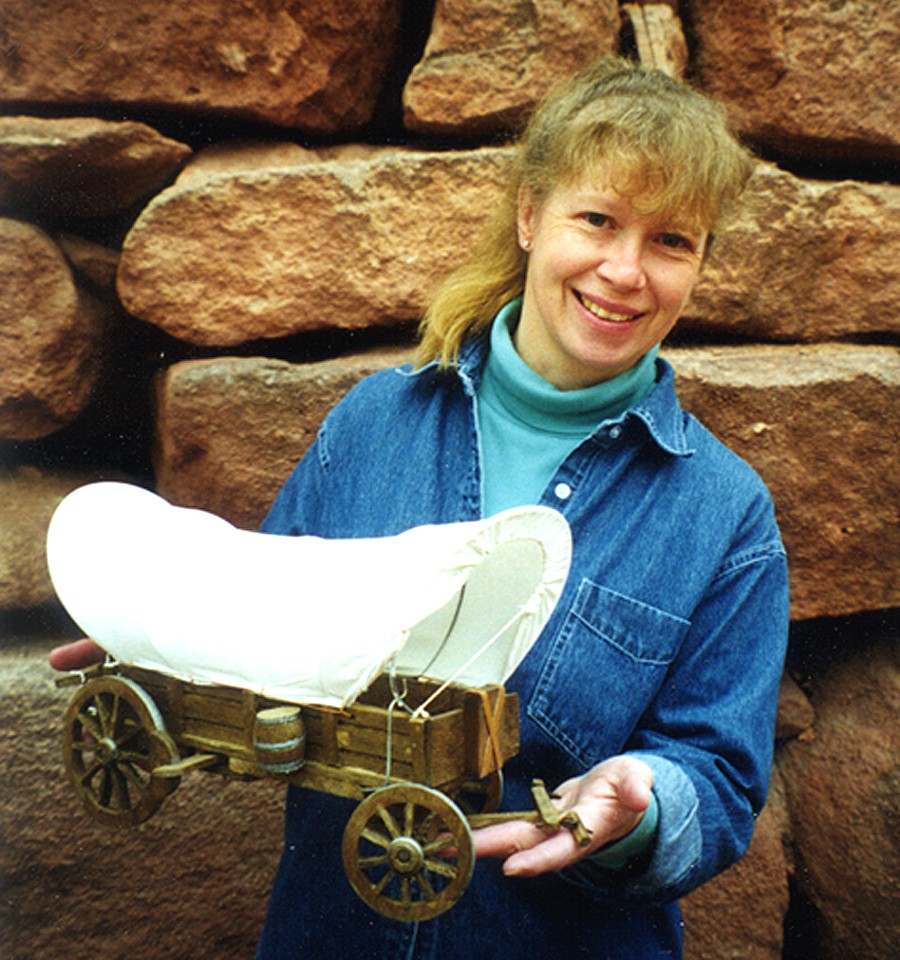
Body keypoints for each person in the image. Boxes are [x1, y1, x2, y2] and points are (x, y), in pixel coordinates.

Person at [52, 56, 789, 960]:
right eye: (596, 220)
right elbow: (270, 598)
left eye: (672, 241)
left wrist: (642, 805)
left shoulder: (725, 515)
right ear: (529, 216)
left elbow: (717, 779)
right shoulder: (372, 428)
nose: (625, 271)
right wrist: (167, 627)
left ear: (701, 263)